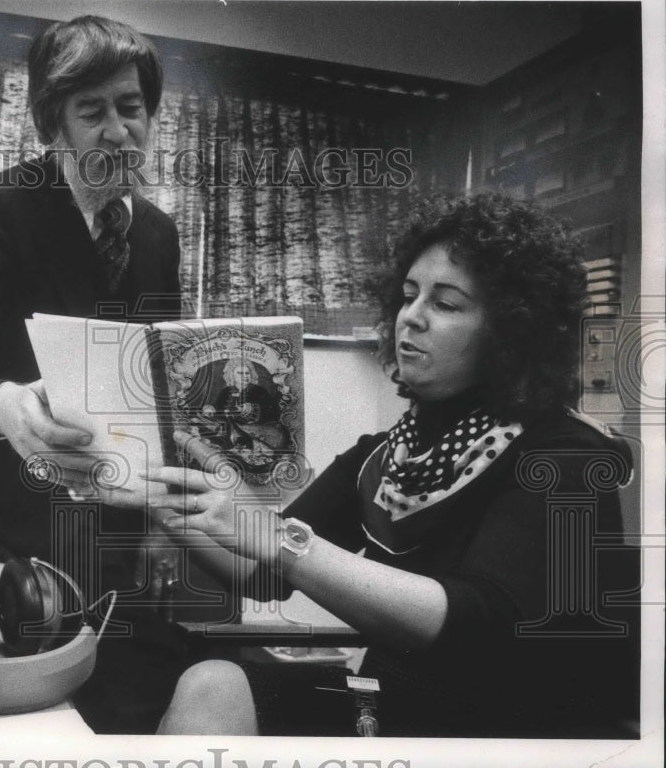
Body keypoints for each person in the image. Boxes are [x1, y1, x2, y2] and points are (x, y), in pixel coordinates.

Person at [103, 193, 639, 737]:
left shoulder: (566, 457)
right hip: (397, 710)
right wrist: (164, 500)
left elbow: (476, 621)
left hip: (507, 733)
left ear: (512, 332)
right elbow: (262, 576)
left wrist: (280, 540)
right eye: (409, 296)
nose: (413, 316)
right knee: (210, 683)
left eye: (447, 304)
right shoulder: (383, 453)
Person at [0, 15, 200, 734]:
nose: (116, 129)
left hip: (116, 525)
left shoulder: (159, 234)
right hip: (7, 525)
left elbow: (158, 389)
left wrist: (165, 523)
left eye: (130, 108)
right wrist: (7, 406)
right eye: (90, 110)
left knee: (133, 692)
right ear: (54, 122)